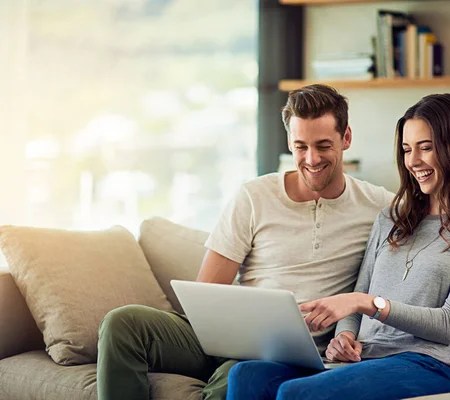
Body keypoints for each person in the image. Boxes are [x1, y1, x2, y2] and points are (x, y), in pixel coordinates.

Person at [96, 84, 394, 400]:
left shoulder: (379, 206)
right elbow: (208, 291)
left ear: (346, 138)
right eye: (300, 146)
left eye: (323, 146)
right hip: (228, 337)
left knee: (236, 380)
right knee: (122, 324)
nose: (311, 158)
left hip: (290, 356)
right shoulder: (254, 196)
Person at [226, 93, 450, 400]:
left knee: (296, 393)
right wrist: (345, 336)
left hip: (426, 362)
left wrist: (369, 304)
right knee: (246, 375)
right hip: (365, 358)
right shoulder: (391, 218)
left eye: (426, 148)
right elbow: (357, 299)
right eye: (406, 150)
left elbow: (449, 323)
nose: (413, 161)